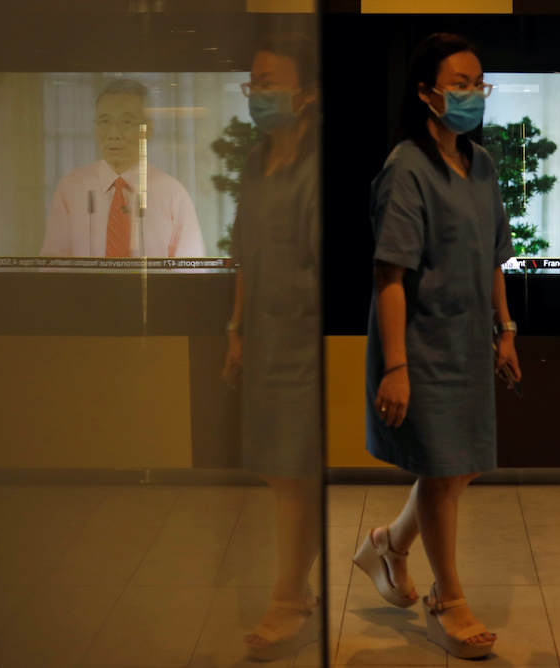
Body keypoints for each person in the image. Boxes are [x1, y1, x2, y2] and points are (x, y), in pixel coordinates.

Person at [353, 33, 521, 660]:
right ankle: (447, 600)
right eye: (459, 84)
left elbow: (496, 260)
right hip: (419, 343)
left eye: (479, 83)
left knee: (461, 464)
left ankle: (389, 545)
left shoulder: (481, 165)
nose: (473, 93)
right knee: (444, 467)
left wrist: (505, 332)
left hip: (469, 338)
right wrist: (394, 367)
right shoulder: (406, 166)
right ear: (426, 92)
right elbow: (389, 275)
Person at [221, 34, 322, 662]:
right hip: (261, 337)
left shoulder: (316, 168)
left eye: (271, 83)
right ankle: (296, 590)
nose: (260, 94)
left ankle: (288, 599)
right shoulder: (257, 162)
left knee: (293, 474)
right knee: (272, 466)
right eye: (254, 84)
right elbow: (244, 256)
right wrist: (235, 332)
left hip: (304, 344)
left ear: (306, 94)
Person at [39, 78, 206, 258]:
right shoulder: (72, 188)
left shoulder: (173, 194)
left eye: (126, 122)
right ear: (95, 129)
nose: (113, 134)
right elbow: (53, 267)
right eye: (104, 122)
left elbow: (191, 270)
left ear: (148, 129)